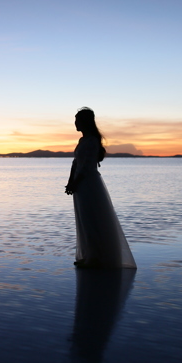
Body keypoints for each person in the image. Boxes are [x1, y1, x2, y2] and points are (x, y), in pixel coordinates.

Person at [64, 108, 137, 269]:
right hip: (80, 184)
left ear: (85, 122)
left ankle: (97, 258)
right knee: (83, 220)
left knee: (92, 219)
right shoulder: (82, 141)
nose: (75, 123)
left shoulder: (92, 141)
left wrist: (76, 182)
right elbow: (76, 163)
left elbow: (86, 167)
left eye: (77, 120)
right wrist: (70, 181)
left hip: (89, 184)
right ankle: (88, 255)